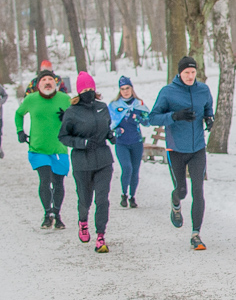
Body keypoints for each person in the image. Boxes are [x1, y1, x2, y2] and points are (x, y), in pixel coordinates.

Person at [148, 56, 214, 251]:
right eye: (187, 72)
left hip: (197, 149)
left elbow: (208, 109)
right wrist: (174, 116)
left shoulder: (203, 90)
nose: (190, 76)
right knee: (182, 190)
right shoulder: (168, 92)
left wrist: (209, 119)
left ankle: (196, 234)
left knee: (198, 190)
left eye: (193, 72)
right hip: (175, 149)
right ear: (179, 73)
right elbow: (152, 118)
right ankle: (176, 202)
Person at [59, 72, 113, 253]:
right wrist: (81, 143)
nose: (89, 92)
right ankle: (83, 221)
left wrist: (110, 135)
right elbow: (63, 136)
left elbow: (107, 126)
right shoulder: (72, 112)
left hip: (103, 159)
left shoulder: (102, 107)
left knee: (102, 199)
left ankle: (100, 236)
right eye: (85, 89)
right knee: (85, 198)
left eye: (91, 88)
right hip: (82, 161)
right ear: (79, 92)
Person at [15, 68, 71, 229]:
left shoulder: (65, 99)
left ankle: (57, 213)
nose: (48, 83)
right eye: (44, 80)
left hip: (59, 148)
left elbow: (76, 117)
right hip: (38, 148)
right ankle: (48, 213)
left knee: (58, 183)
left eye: (50, 80)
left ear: (56, 83)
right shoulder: (31, 100)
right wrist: (20, 130)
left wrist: (67, 118)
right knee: (45, 180)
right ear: (38, 84)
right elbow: (19, 114)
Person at [109, 76, 149, 208]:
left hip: (136, 142)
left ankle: (132, 196)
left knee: (135, 170)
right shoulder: (114, 105)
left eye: (128, 88)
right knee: (127, 168)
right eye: (122, 89)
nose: (125, 91)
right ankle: (123, 194)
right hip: (122, 143)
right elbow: (108, 122)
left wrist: (137, 117)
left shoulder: (139, 104)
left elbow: (147, 121)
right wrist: (116, 129)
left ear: (132, 89)